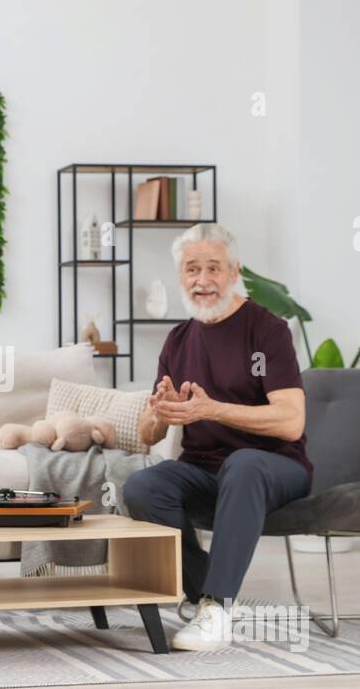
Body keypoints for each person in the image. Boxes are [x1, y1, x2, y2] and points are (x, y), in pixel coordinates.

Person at [123, 223, 312, 652]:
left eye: (213, 268)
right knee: (144, 485)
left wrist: (212, 409)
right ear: (180, 277)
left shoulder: (267, 330)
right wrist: (160, 411)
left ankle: (217, 604)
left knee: (243, 464)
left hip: (274, 468)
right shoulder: (179, 338)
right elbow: (147, 433)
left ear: (233, 272)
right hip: (207, 473)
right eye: (192, 270)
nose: (202, 280)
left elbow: (291, 422)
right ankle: (205, 601)